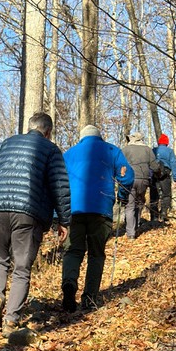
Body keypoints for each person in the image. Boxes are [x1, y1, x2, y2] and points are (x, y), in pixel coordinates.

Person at [0, 111, 71, 336]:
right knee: (21, 269)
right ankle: (10, 322)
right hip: (29, 213)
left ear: (29, 127)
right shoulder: (50, 150)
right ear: (48, 132)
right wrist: (64, 220)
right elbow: (61, 187)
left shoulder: (7, 143)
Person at [61, 125, 134, 312]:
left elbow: (59, 184)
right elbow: (127, 175)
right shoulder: (111, 150)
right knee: (96, 253)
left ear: (82, 138)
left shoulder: (69, 154)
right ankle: (89, 297)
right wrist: (122, 197)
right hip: (101, 210)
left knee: (73, 251)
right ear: (99, 137)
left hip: (73, 211)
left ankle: (69, 285)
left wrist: (57, 216)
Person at [122, 132, 160, 239]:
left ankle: (130, 234)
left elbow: (120, 164)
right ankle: (136, 226)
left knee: (130, 205)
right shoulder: (148, 150)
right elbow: (154, 166)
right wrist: (159, 173)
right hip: (144, 180)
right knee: (139, 203)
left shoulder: (126, 149)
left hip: (130, 179)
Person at [149, 133, 176, 224]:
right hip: (165, 175)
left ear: (159, 143)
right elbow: (173, 164)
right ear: (167, 142)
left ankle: (154, 216)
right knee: (166, 195)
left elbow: (149, 163)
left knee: (154, 196)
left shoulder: (153, 150)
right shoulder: (169, 151)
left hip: (154, 175)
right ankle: (163, 213)